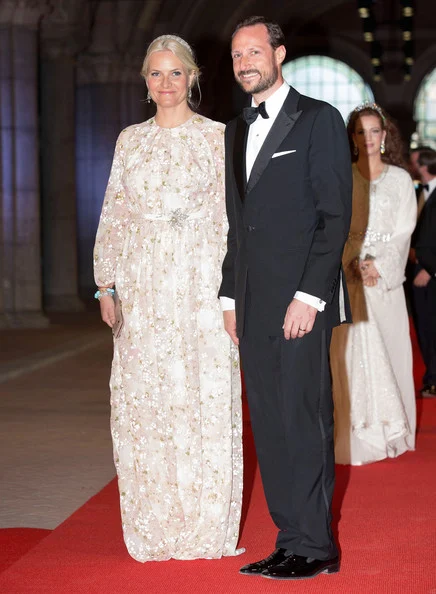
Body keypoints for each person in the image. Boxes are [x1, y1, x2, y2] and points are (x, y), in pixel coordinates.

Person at [93, 34, 243, 562]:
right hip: (144, 288)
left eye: (175, 73)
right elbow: (114, 213)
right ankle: (155, 523)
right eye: (155, 74)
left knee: (201, 395)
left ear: (193, 77)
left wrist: (231, 293)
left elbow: (234, 222)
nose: (165, 83)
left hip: (200, 286)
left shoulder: (219, 138)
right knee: (145, 399)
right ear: (144, 81)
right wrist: (106, 284)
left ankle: (205, 525)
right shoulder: (129, 141)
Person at [219, 16, 352, 580]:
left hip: (302, 302)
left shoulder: (319, 119)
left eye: (254, 52)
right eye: (236, 56)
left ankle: (317, 546)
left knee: (304, 420)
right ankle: (289, 536)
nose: (245, 62)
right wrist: (229, 295)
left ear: (278, 54)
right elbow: (236, 224)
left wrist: (309, 296)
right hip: (251, 304)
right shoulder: (234, 130)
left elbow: (334, 217)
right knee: (269, 424)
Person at [330, 102, 417, 465]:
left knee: (391, 351)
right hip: (346, 275)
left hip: (383, 283)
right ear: (352, 137)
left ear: (385, 136)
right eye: (360, 132)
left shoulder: (399, 180)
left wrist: (377, 265)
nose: (368, 138)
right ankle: (349, 430)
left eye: (374, 131)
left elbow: (403, 231)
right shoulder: (341, 176)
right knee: (347, 358)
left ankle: (393, 428)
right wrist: (348, 262)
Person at [412, 149, 436, 397]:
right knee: (425, 328)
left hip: (431, 273)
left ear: (423, 165)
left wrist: (430, 270)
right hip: (416, 269)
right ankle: (431, 377)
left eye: (414, 161)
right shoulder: (418, 191)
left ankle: (434, 380)